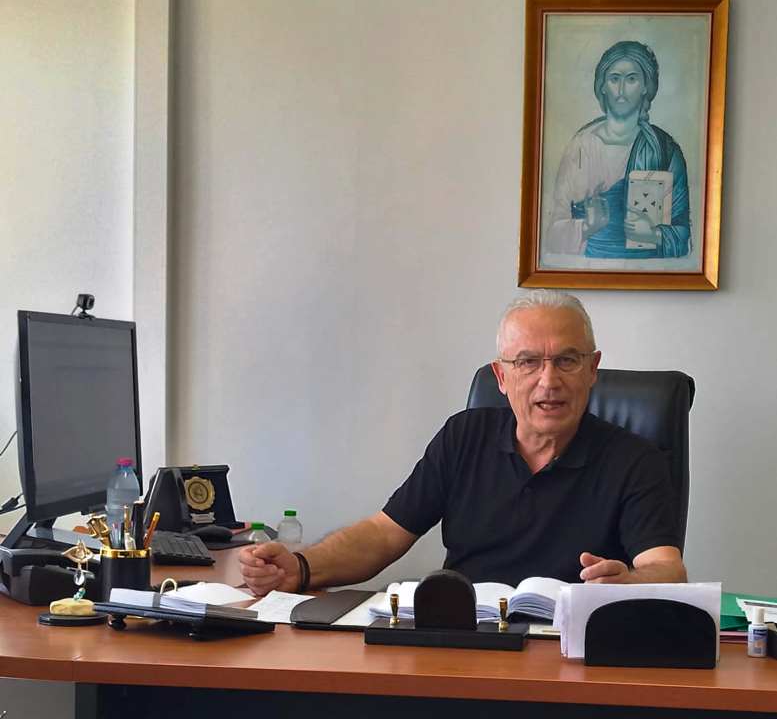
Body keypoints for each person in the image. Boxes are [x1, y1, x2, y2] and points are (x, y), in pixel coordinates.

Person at [239, 290, 686, 596]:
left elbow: (666, 567)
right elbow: (384, 533)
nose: (549, 381)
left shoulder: (635, 460)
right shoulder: (463, 436)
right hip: (465, 643)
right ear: (501, 376)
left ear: (592, 370)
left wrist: (628, 585)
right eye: (528, 362)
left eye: (567, 360)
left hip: (570, 655)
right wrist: (301, 567)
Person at [545, 40, 690, 259]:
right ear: (602, 85)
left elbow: (684, 237)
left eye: (631, 79)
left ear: (645, 87)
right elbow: (552, 236)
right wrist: (586, 227)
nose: (621, 90)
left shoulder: (664, 150)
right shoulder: (581, 147)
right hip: (590, 270)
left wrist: (654, 235)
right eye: (614, 79)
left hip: (649, 272)